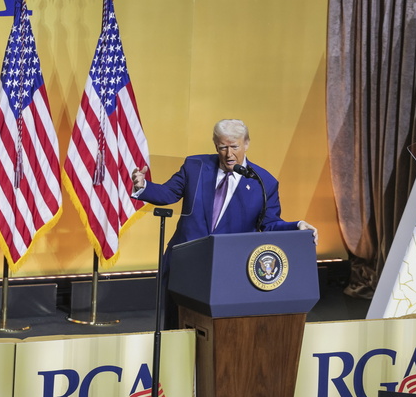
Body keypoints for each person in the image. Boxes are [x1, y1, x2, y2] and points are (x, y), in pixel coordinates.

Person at [132, 118, 318, 329]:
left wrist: (297, 227)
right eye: (223, 147)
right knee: (176, 325)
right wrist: (143, 186)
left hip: (226, 268)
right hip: (184, 263)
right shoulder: (196, 166)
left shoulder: (263, 182)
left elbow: (269, 224)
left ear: (246, 143)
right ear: (215, 145)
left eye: (235, 147)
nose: (229, 154)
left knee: (217, 331)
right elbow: (168, 193)